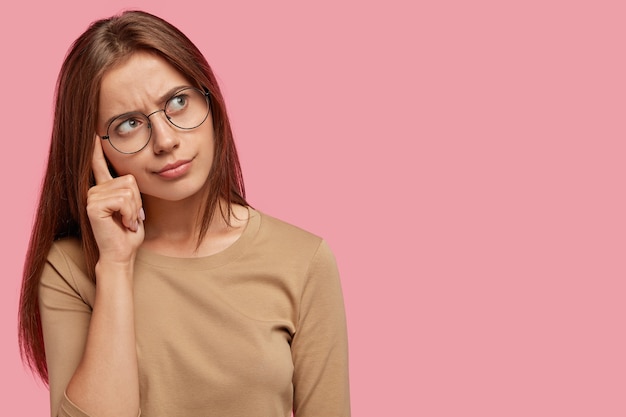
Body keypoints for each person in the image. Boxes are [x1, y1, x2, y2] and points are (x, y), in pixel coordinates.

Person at [17, 10, 350, 417]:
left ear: (210, 101)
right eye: (128, 125)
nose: (167, 140)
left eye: (178, 102)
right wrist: (117, 266)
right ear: (95, 149)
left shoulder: (303, 260)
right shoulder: (71, 269)